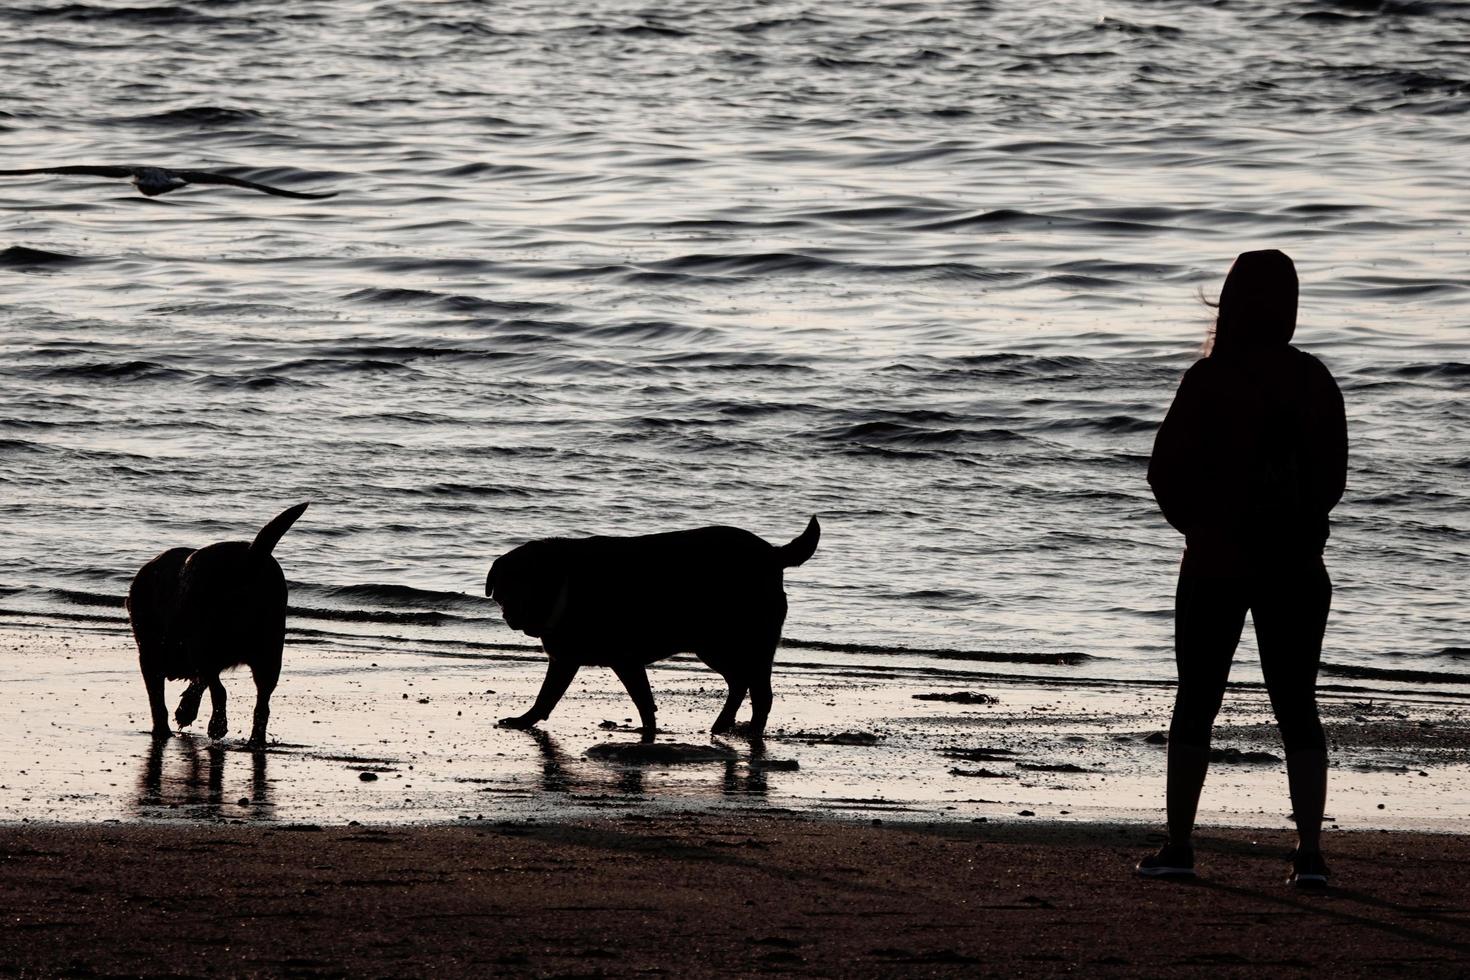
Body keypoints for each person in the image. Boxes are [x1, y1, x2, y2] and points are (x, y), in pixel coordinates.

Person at [1138, 249, 1347, 887]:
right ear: (1289, 307)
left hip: (1216, 561)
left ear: (1229, 303)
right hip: (1296, 566)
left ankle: (1180, 847)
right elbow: (1333, 481)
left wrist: (1200, 529)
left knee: (1196, 701)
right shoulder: (1314, 380)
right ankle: (1309, 855)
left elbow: (1162, 474)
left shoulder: (1208, 379)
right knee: (1298, 708)